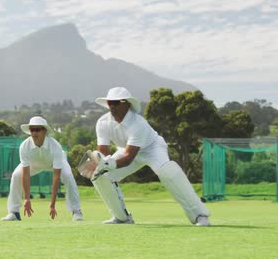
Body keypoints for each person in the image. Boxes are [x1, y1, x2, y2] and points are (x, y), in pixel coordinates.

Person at [90, 87, 210, 226]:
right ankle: (122, 218)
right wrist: (100, 164)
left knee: (166, 172)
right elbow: (104, 152)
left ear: (127, 104)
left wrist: (110, 164)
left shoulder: (138, 123)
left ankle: (199, 215)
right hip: (126, 149)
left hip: (152, 149)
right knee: (100, 176)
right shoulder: (103, 123)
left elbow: (129, 157)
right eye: (110, 103)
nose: (112, 107)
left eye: (116, 103)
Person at [1, 116, 83, 221]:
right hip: (34, 164)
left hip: (54, 163)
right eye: (32, 130)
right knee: (16, 175)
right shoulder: (24, 146)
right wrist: (26, 199)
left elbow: (56, 177)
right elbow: (25, 174)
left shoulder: (55, 146)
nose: (34, 133)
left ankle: (76, 211)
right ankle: (14, 212)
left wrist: (52, 204)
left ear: (44, 131)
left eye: (37, 129)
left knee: (67, 176)